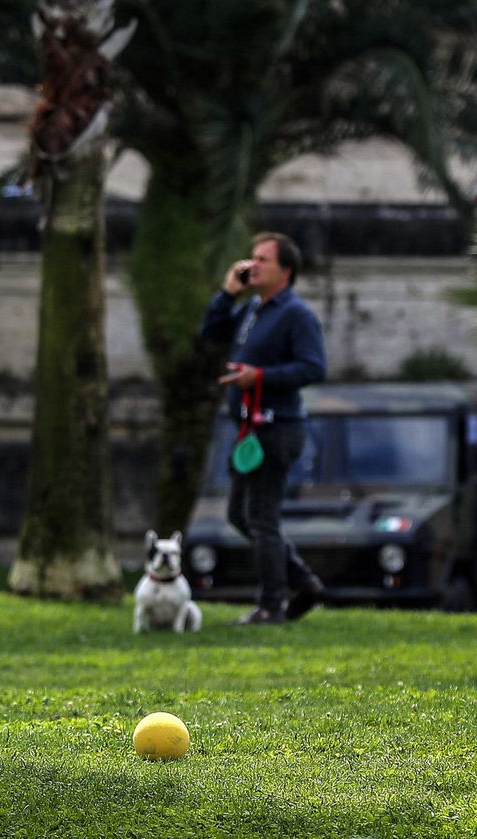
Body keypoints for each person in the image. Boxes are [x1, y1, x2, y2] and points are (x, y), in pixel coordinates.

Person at [198, 232, 327, 625]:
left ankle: (272, 604)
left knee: (261, 517)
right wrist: (226, 293)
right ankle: (303, 582)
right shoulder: (252, 309)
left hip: (278, 429)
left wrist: (261, 377)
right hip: (248, 431)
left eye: (263, 260)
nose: (253, 265)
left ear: (285, 271)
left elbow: (313, 368)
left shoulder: (297, 315)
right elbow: (211, 334)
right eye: (251, 258)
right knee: (240, 514)